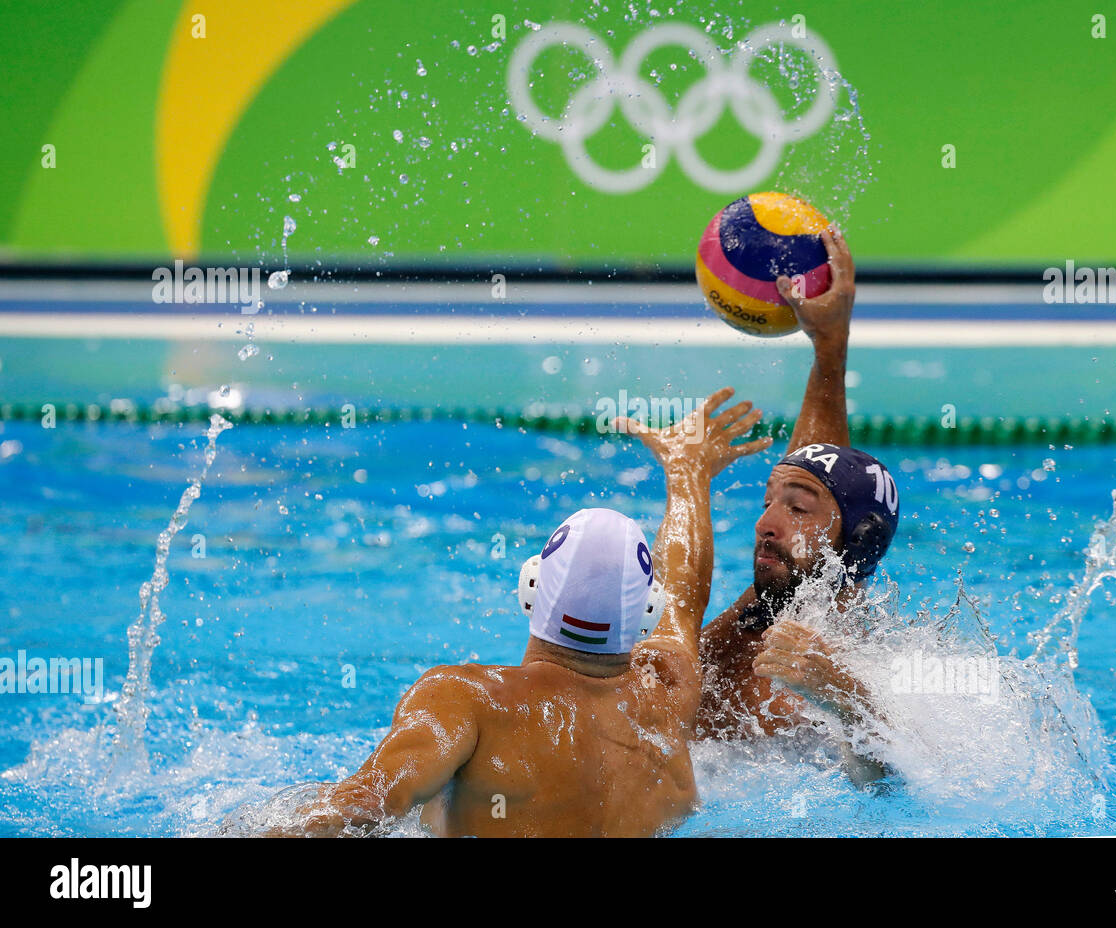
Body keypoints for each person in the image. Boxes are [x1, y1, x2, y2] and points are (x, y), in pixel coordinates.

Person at [262, 388, 770, 837]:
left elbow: (368, 805)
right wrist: (687, 470)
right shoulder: (666, 690)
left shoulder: (466, 700)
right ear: (645, 611)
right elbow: (684, 596)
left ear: (530, 588)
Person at [696, 225, 901, 785]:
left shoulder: (887, 666)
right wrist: (830, 346)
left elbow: (901, 797)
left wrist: (848, 700)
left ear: (854, 543)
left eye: (797, 510)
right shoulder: (754, 623)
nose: (764, 524)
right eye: (768, 501)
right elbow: (817, 469)